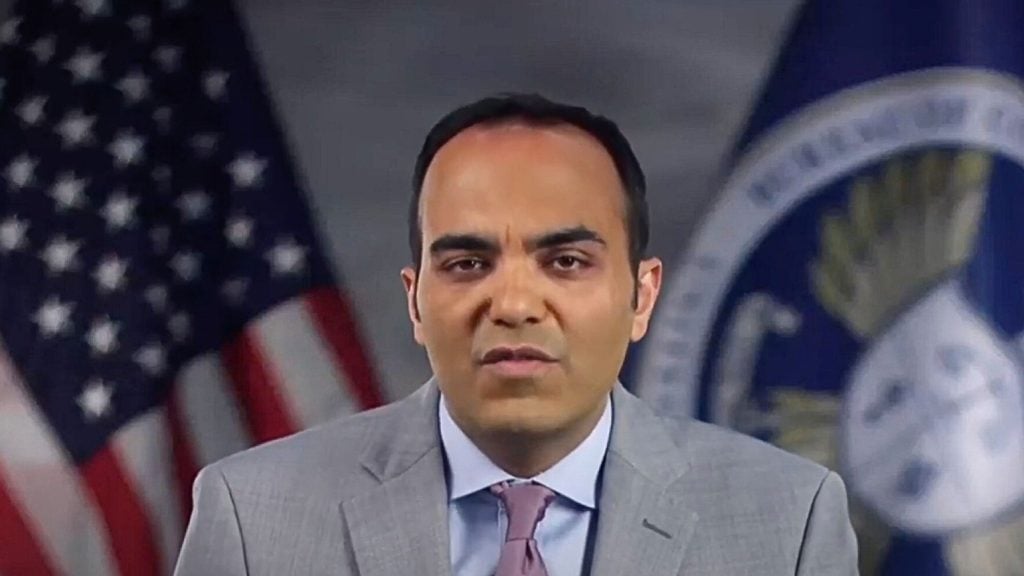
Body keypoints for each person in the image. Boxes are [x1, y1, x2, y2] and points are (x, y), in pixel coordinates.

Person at [174, 93, 859, 576]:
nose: (514, 303)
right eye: (469, 263)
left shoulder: (787, 519)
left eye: (565, 262)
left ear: (641, 295)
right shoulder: (252, 520)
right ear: (416, 301)